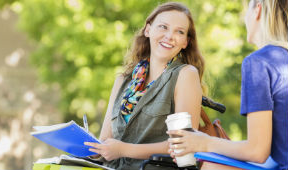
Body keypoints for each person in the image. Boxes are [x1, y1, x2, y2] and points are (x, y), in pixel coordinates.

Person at [167, 0, 288, 170]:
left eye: (246, 11)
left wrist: (204, 143)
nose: (245, 18)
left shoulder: (259, 62)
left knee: (210, 166)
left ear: (257, 10)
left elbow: (257, 151)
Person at [84, 2, 204, 170]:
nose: (170, 36)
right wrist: (90, 147)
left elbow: (184, 145)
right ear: (148, 29)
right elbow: (105, 140)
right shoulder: (123, 81)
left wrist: (125, 150)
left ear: (185, 42)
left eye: (180, 32)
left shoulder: (185, 75)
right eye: (163, 27)